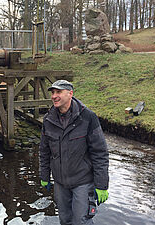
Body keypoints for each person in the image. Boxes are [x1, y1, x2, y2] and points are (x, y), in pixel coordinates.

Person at [39, 80, 109, 225]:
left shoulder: (88, 117)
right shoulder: (48, 120)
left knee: (81, 221)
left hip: (82, 181)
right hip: (60, 183)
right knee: (65, 220)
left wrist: (101, 185)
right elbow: (44, 151)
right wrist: (44, 175)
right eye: (52, 92)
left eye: (58, 92)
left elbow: (100, 153)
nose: (54, 96)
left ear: (70, 93)